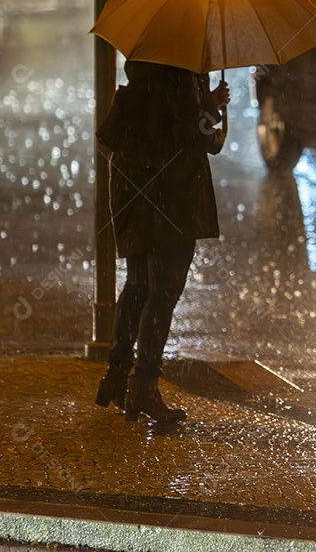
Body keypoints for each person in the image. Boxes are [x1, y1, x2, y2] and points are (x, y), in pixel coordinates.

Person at [94, 61, 229, 423]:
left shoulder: (144, 67)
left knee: (138, 284)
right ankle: (144, 389)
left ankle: (117, 376)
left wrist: (207, 103)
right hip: (171, 196)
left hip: (132, 191)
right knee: (164, 290)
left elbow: (165, 117)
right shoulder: (183, 71)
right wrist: (215, 114)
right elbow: (195, 133)